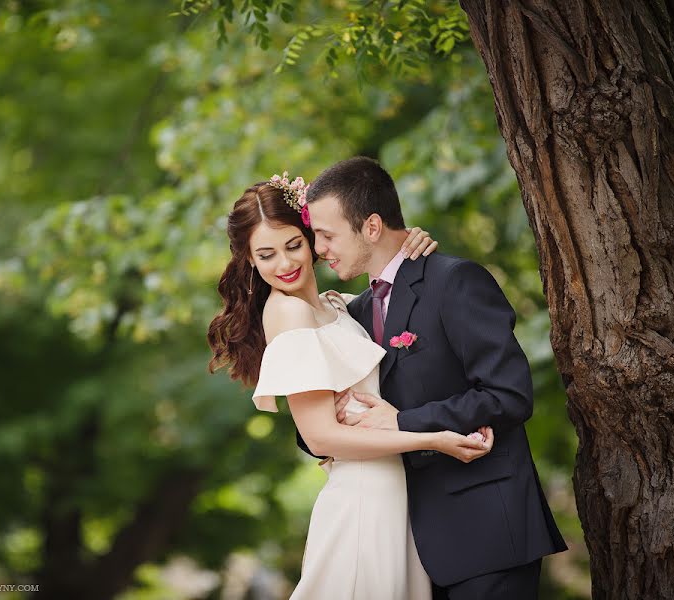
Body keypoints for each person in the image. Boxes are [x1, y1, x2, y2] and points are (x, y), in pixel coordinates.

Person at [207, 172, 494, 600]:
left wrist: (408, 246)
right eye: (266, 255)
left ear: (313, 242)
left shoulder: (337, 308)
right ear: (250, 261)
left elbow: (391, 296)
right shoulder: (287, 314)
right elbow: (320, 436)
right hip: (363, 499)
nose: (284, 265)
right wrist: (434, 438)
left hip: (398, 497)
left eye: (293, 245)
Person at [306, 156, 568, 599]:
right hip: (406, 549)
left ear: (371, 227)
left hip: (488, 535)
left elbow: (509, 395)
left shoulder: (455, 282)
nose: (319, 250)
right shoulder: (354, 313)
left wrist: (403, 422)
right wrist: (327, 421)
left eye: (327, 235)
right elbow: (330, 422)